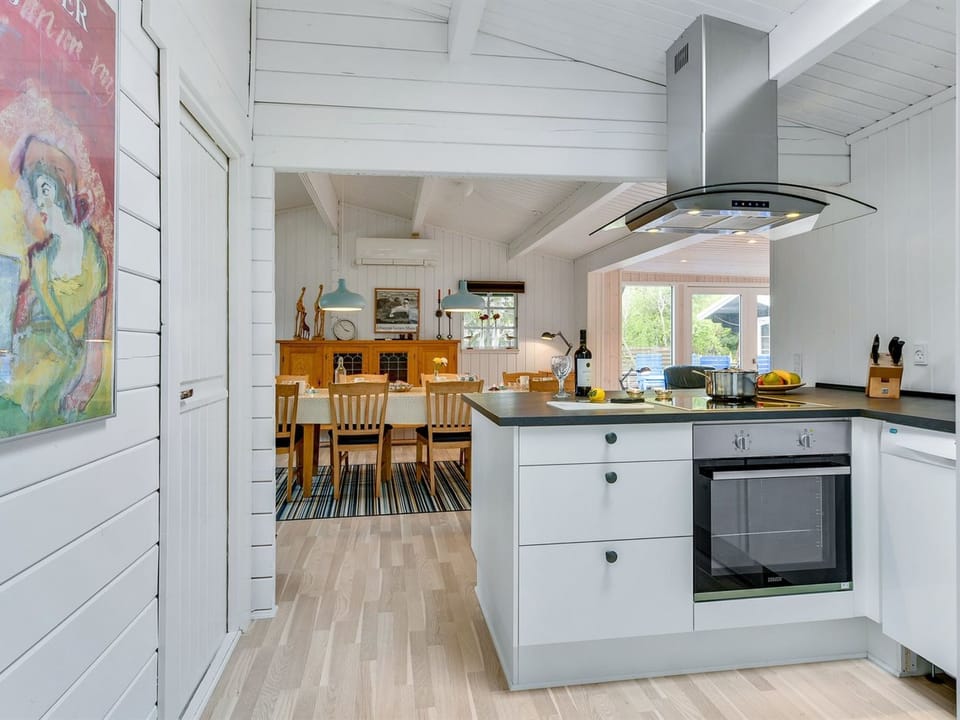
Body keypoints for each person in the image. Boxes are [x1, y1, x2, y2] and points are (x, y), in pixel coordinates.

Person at [2, 135, 108, 428]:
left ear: (65, 189)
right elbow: (15, 325)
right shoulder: (40, 259)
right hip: (27, 361)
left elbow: (96, 344)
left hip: (64, 366)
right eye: (36, 194)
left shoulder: (94, 257)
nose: (41, 202)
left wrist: (85, 386)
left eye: (46, 189)